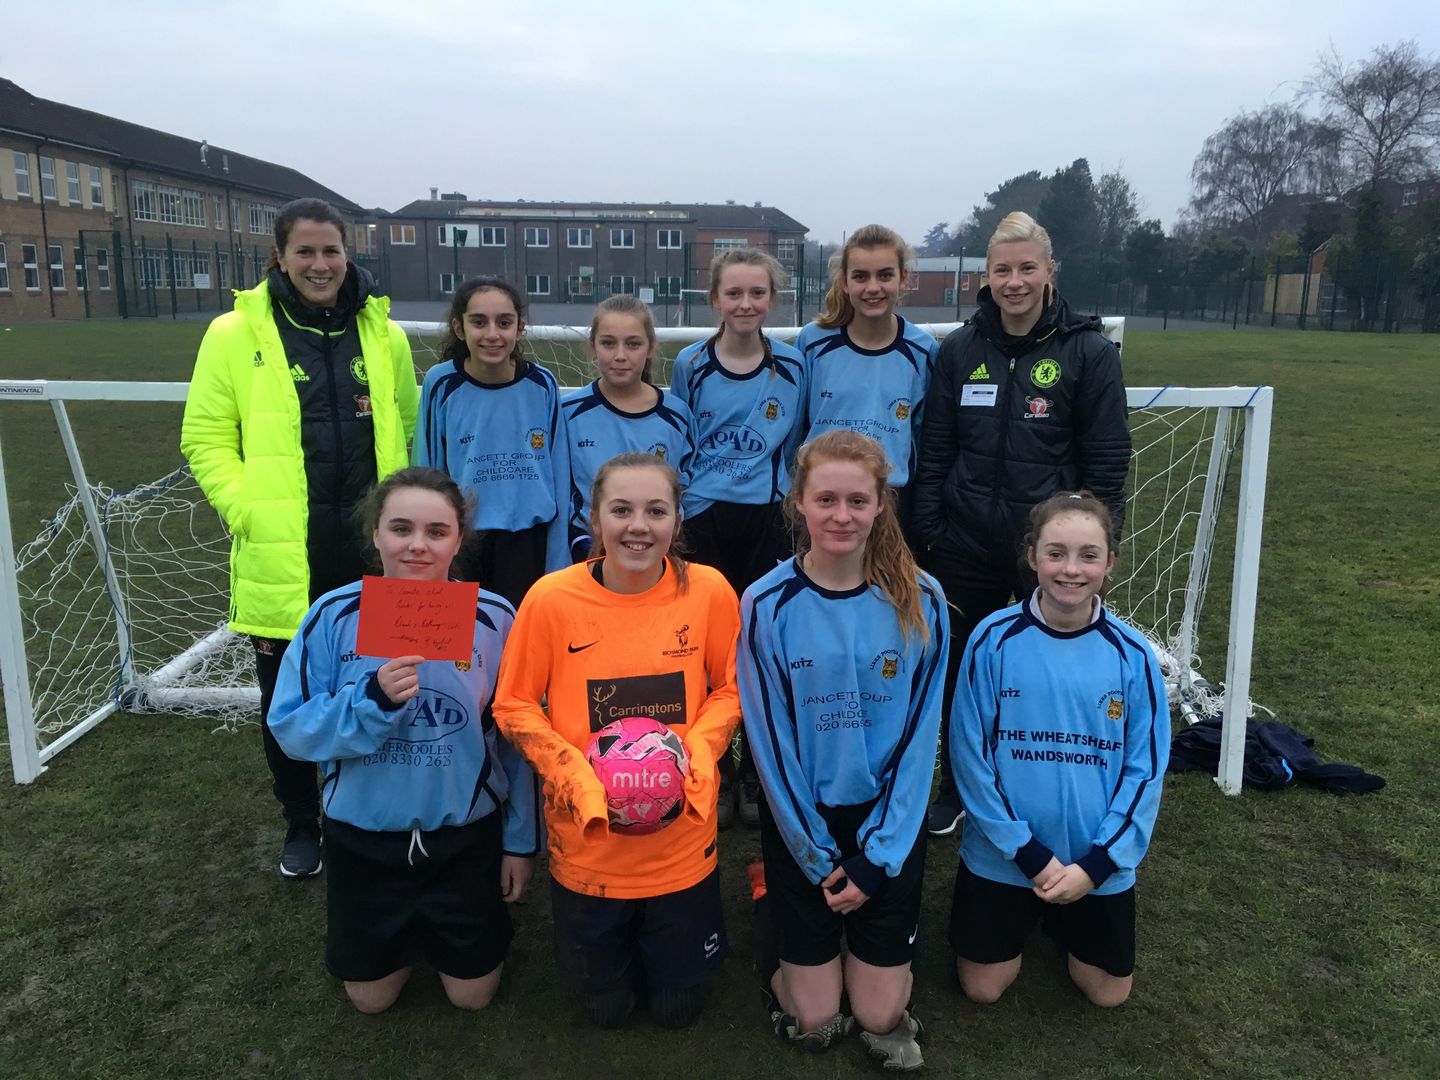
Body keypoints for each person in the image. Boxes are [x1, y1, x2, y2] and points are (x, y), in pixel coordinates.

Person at [181, 197, 419, 878]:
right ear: (279, 258)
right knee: (287, 696)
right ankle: (302, 823)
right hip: (285, 551)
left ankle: (371, 807)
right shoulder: (234, 333)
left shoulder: (386, 335)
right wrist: (248, 508)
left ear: (349, 255)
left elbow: (404, 422)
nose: (320, 264)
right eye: (305, 252)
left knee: (382, 681)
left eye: (331, 251)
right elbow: (203, 436)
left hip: (374, 551)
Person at [266, 467, 536, 1013]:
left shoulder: (497, 618)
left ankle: (448, 934)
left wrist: (519, 841)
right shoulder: (332, 615)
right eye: (401, 528)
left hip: (464, 835)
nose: (417, 545)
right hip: (364, 838)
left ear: (460, 539)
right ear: (375, 534)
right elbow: (291, 729)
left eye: (437, 532)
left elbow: (518, 740)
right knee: (370, 1001)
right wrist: (372, 701)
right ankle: (396, 940)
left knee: (473, 997)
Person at [492, 452, 741, 1029]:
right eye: (621, 509)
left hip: (681, 846)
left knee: (679, 1009)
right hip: (589, 845)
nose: (638, 526)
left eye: (656, 511)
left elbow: (732, 687)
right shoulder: (551, 600)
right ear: (593, 517)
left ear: (677, 521)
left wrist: (696, 751)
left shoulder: (708, 592)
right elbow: (514, 703)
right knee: (606, 1009)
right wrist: (575, 776)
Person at [913, 211, 1131, 837]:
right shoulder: (959, 349)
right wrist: (932, 527)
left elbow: (1109, 457)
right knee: (962, 673)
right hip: (965, 544)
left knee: (1042, 670)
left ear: (1049, 272)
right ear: (986, 276)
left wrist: (1095, 540)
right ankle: (958, 788)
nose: (1014, 281)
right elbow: (936, 448)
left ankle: (1036, 781)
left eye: (1026, 268)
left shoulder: (1088, 350)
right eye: (1002, 269)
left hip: (1049, 551)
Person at [738, 430, 948, 1071]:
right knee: (816, 1017)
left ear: (881, 504)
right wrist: (814, 852)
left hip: (888, 822)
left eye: (858, 501)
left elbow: (920, 741)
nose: (841, 515)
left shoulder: (923, 600)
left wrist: (877, 858)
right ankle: (775, 911)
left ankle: (863, 940)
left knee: (879, 1015)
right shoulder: (765, 604)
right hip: (805, 824)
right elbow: (769, 745)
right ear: (798, 500)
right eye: (825, 498)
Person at [948, 491, 1168, 1009]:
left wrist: (1097, 865)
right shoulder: (992, 639)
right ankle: (1032, 907)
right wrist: (1028, 855)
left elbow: (1146, 770)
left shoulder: (1133, 655)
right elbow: (970, 757)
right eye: (1056, 553)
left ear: (1110, 561)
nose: (1071, 570)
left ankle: (1067, 910)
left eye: (1088, 555)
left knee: (1107, 994)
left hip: (1095, 860)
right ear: (1032, 558)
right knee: (983, 989)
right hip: (1007, 856)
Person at [670, 248, 806, 827]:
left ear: (772, 299)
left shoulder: (795, 367)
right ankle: (714, 769)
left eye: (757, 293)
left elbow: (795, 445)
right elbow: (680, 437)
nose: (746, 304)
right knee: (705, 647)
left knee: (759, 644)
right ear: (716, 299)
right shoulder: (691, 363)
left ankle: (756, 775)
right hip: (703, 520)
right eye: (734, 293)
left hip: (766, 522)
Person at [412, 276, 570, 607]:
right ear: (459, 328)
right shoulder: (440, 384)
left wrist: (559, 557)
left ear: (520, 328)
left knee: (520, 644)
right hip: (464, 543)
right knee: (466, 651)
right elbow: (427, 472)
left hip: (529, 544)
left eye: (504, 322)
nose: (493, 334)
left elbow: (559, 474)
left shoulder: (542, 384)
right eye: (479, 322)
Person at [794, 225, 937, 507]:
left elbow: (925, 438)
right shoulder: (813, 342)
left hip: (891, 500)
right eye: (861, 276)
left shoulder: (923, 350)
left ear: (903, 278)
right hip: (823, 498)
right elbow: (796, 429)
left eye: (885, 275)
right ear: (845, 282)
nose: (873, 287)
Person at [561, 295, 694, 561]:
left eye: (633, 344)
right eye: (608, 343)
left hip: (651, 550)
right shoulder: (568, 413)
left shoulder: (676, 415)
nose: (620, 355)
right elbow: (560, 491)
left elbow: (685, 489)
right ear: (593, 346)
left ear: (651, 347)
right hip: (585, 549)